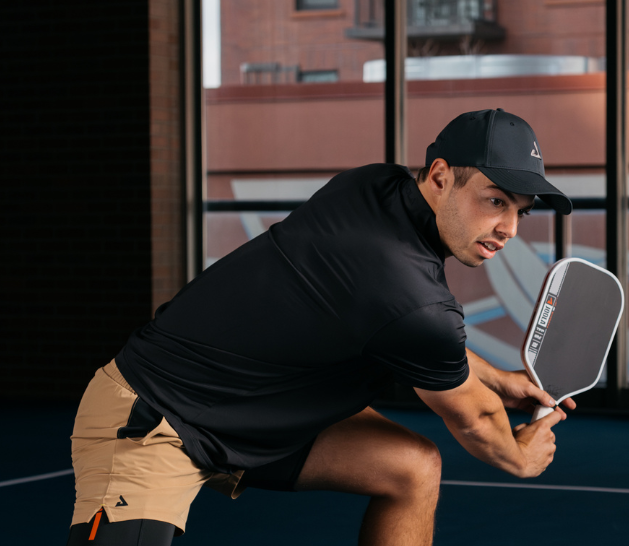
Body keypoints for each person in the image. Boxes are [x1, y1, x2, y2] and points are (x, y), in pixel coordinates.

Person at [67, 108, 574, 546]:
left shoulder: (374, 184)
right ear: (440, 176)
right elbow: (478, 421)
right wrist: (521, 459)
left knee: (411, 466)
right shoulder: (410, 295)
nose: (508, 229)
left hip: (258, 412)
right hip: (158, 415)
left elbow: (411, 334)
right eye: (494, 201)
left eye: (520, 212)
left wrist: (498, 380)